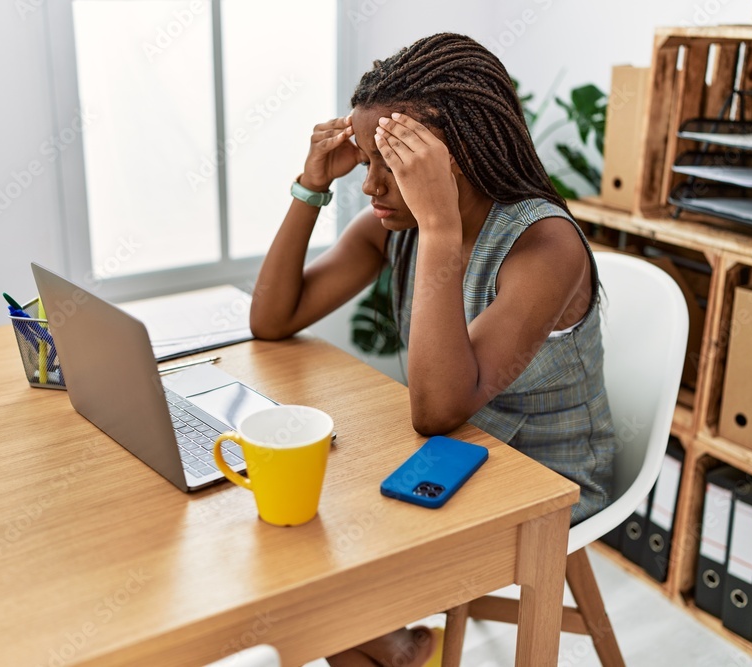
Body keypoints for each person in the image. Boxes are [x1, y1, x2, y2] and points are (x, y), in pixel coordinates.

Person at [249, 32, 616, 667]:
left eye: (393, 162)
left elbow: (438, 408)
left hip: (544, 478)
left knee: (313, 574)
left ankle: (391, 646)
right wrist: (310, 185)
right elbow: (272, 319)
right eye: (367, 160)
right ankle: (393, 645)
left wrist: (442, 224)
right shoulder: (401, 229)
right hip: (456, 450)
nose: (371, 185)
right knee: (291, 545)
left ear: (459, 155)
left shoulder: (544, 246)